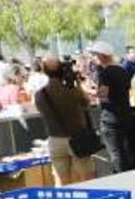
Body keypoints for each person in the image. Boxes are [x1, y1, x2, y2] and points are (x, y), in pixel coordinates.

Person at [34, 57, 95, 186]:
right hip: (78, 138)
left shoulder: (40, 94)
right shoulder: (72, 91)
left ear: (44, 72)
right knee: (87, 178)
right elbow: (86, 103)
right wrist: (77, 84)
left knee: (61, 180)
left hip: (55, 139)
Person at [88, 40, 132, 173]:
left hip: (111, 117)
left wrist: (88, 92)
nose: (95, 59)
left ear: (102, 56)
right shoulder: (122, 70)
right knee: (123, 151)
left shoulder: (105, 73)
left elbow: (103, 94)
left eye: (96, 55)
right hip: (124, 114)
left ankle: (123, 179)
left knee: (115, 153)